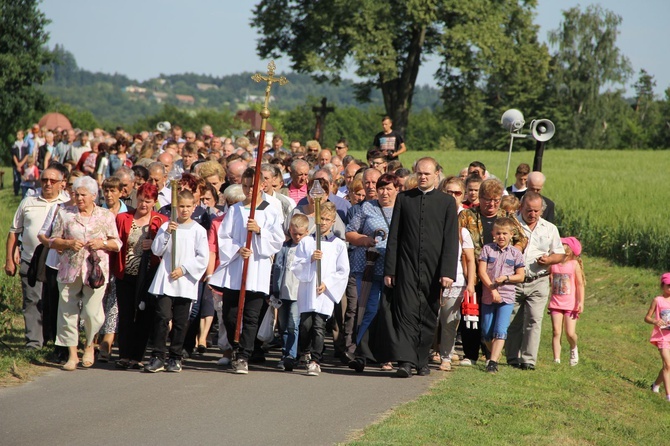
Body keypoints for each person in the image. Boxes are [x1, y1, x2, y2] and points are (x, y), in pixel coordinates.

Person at [375, 157, 459, 377]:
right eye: (419, 173)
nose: (423, 177)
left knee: (428, 314)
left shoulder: (447, 202)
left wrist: (447, 272)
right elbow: (394, 236)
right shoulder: (404, 199)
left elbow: (451, 239)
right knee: (406, 312)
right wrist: (390, 270)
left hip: (434, 269)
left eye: (427, 174)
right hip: (406, 266)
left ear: (436, 175)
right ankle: (405, 361)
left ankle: (421, 360)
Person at [209, 167, 284, 374]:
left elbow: (277, 240)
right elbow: (224, 237)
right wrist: (237, 249)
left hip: (257, 269)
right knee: (230, 315)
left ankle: (244, 355)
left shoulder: (270, 210)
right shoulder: (235, 210)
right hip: (236, 269)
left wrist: (259, 231)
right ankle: (235, 346)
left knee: (251, 316)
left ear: (262, 185)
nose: (249, 190)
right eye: (245, 186)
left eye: (253, 185)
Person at [49, 176, 121, 370]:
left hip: (95, 273)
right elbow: (52, 240)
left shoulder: (105, 216)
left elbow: (117, 243)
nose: (79, 198)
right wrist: (67, 243)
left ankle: (89, 345)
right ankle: (72, 355)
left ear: (94, 196)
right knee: (67, 312)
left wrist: (102, 244)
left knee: (91, 313)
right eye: (76, 194)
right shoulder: (65, 213)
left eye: (83, 195)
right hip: (69, 270)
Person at [458, 178, 526, 366]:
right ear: (480, 198)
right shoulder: (467, 215)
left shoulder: (506, 216)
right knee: (471, 314)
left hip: (497, 275)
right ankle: (470, 354)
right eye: (488, 200)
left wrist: (513, 253)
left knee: (494, 317)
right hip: (473, 272)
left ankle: (490, 355)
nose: (492, 204)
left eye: (496, 200)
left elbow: (522, 238)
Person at [144, 190, 209, 373]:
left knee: (181, 321)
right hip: (166, 279)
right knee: (162, 317)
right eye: (181, 206)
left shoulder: (198, 230)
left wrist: (184, 269)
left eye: (189, 206)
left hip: (185, 281)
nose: (185, 210)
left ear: (194, 207)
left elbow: (202, 258)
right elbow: (157, 250)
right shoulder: (167, 226)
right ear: (176, 207)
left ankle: (175, 356)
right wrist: (166, 234)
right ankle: (157, 355)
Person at [6, 166, 68, 349]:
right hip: (30, 259)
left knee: (54, 300)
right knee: (32, 300)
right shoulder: (28, 202)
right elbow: (13, 232)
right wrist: (9, 259)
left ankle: (55, 339)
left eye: (52, 181)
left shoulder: (67, 202)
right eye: (44, 180)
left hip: (58, 262)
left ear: (61, 184)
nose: (47, 184)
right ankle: (34, 342)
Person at [346, 173, 399, 372]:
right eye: (381, 188)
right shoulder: (367, 207)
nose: (384, 193)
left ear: (396, 189)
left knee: (388, 312)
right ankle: (360, 352)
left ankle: (387, 355)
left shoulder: (402, 209)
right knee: (369, 309)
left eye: (388, 188)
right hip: (367, 266)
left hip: (392, 269)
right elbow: (350, 233)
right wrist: (365, 240)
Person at [506, 191, 565, 370]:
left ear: (542, 210)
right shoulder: (511, 225)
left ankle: (528, 360)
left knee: (534, 320)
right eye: (529, 210)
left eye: (536, 211)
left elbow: (560, 253)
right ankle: (511, 357)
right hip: (514, 280)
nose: (532, 214)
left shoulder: (549, 228)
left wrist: (549, 260)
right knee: (513, 319)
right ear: (521, 207)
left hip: (538, 279)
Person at [112, 183, 168, 370]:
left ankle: (137, 356)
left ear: (155, 202)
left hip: (149, 275)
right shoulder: (123, 218)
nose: (144, 204)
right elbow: (116, 243)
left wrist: (154, 244)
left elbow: (166, 247)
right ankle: (124, 355)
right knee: (126, 314)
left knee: (144, 316)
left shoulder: (161, 221)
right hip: (125, 273)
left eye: (148, 201)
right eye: (141, 200)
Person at [292, 202, 350, 376]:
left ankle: (316, 360)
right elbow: (296, 265)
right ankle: (305, 352)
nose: (323, 222)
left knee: (319, 326)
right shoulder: (307, 242)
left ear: (333, 222)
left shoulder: (338, 244)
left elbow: (343, 270)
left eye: (327, 219)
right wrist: (310, 260)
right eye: (321, 219)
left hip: (323, 293)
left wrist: (327, 283)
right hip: (308, 291)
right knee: (305, 325)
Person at [477, 218, 525, 374]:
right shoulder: (487, 249)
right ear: (493, 234)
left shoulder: (516, 253)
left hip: (507, 297)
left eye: (505, 233)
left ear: (511, 235)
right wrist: (492, 289)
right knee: (486, 331)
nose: (501, 236)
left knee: (500, 330)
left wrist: (506, 278)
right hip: (488, 296)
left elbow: (521, 276)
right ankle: (494, 353)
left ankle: (493, 361)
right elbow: (482, 271)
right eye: (498, 233)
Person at [271, 214, 309, 371]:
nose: (298, 237)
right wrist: (273, 292)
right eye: (295, 234)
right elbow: (276, 269)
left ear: (307, 231)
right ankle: (285, 353)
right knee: (283, 326)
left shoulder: (307, 248)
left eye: (301, 234)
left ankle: (291, 356)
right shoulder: (284, 247)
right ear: (289, 231)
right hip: (283, 292)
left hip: (298, 294)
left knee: (293, 325)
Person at [549, 236, 585, 366]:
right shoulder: (553, 264)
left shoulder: (574, 265)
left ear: (569, 250)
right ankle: (556, 359)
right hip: (555, 303)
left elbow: (580, 285)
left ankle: (573, 347)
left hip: (570, 304)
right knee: (556, 331)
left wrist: (581, 302)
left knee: (570, 333)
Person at [644, 273, 670, 401]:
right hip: (662, 336)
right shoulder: (657, 300)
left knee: (668, 366)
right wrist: (655, 321)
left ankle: (655, 385)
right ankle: (668, 396)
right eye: (669, 286)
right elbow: (647, 317)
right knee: (667, 364)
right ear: (663, 286)